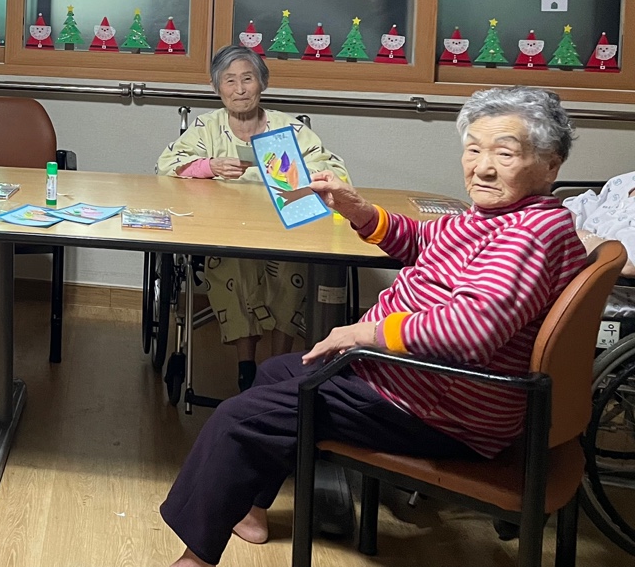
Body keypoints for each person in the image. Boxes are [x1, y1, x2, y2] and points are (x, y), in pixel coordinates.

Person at [159, 86, 591, 567]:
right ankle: (251, 507)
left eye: (504, 154)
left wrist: (362, 334)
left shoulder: (530, 236)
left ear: (550, 165)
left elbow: (471, 331)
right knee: (275, 372)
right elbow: (424, 240)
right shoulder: (500, 216)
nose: (483, 167)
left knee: (239, 418)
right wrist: (358, 210)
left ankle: (194, 560)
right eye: (473, 150)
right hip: (410, 379)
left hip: (435, 407)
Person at [157, 45, 349, 389]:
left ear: (263, 83)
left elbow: (335, 171)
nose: (240, 89)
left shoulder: (288, 128)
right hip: (226, 231)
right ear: (217, 87)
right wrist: (208, 166)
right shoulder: (206, 128)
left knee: (291, 268)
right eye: (230, 80)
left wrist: (295, 171)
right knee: (233, 264)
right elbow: (166, 166)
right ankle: (246, 368)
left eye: (248, 79)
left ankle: (276, 368)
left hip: (286, 230)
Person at [560, 174, 635, 276]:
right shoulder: (622, 181)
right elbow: (584, 207)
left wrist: (584, 238)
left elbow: (628, 265)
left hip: (603, 278)